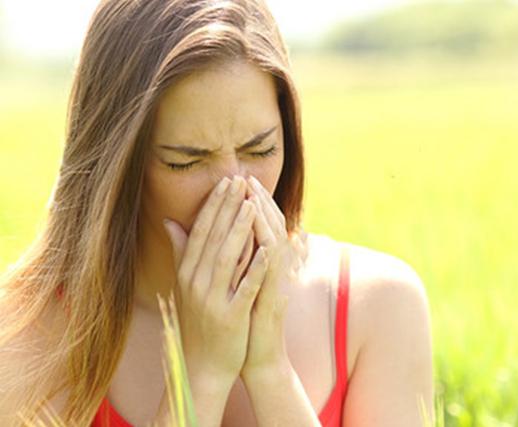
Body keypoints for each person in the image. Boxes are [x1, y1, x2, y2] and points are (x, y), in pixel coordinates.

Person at [0, 0, 434, 425]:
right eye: (186, 161)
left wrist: (271, 372)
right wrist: (199, 377)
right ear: (117, 167)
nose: (236, 191)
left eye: (260, 149)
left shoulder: (376, 306)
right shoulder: (24, 331)